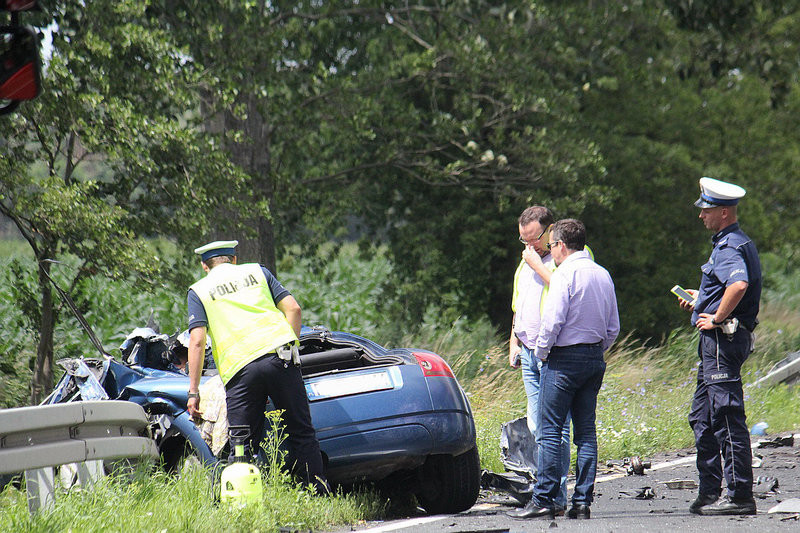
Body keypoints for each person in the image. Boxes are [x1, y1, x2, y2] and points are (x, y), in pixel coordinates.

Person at [186, 240, 328, 493]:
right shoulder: (258, 272)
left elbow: (197, 341)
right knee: (301, 431)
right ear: (234, 259)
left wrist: (193, 391)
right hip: (280, 357)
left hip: (241, 369)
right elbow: (293, 309)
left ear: (204, 266)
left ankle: (243, 503)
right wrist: (291, 346)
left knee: (241, 442)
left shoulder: (199, 290)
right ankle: (318, 493)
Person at [513, 219, 619, 520]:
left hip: (562, 358)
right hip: (593, 357)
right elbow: (614, 327)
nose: (551, 251)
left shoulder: (564, 275)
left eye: (552, 245)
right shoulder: (603, 274)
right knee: (586, 432)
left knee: (550, 431)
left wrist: (543, 353)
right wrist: (597, 349)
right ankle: (582, 501)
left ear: (560, 245)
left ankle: (545, 497)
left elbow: (553, 321)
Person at [678, 177, 760, 516]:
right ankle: (711, 492)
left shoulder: (728, 246)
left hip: (720, 342)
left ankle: (740, 496)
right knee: (702, 416)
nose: (701, 216)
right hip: (717, 344)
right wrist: (703, 301)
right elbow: (729, 286)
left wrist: (714, 317)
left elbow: (738, 285)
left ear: (723, 212)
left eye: (706, 210)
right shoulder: (735, 243)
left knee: (726, 416)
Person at [508, 206, 570, 509]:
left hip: (552, 352)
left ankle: (556, 495)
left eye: (534, 239)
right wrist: (513, 342)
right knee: (535, 426)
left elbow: (564, 291)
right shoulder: (525, 262)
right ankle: (545, 488)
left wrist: (536, 263)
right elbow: (519, 306)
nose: (529, 246)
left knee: (553, 428)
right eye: (523, 241)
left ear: (551, 229)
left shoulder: (566, 257)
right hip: (528, 351)